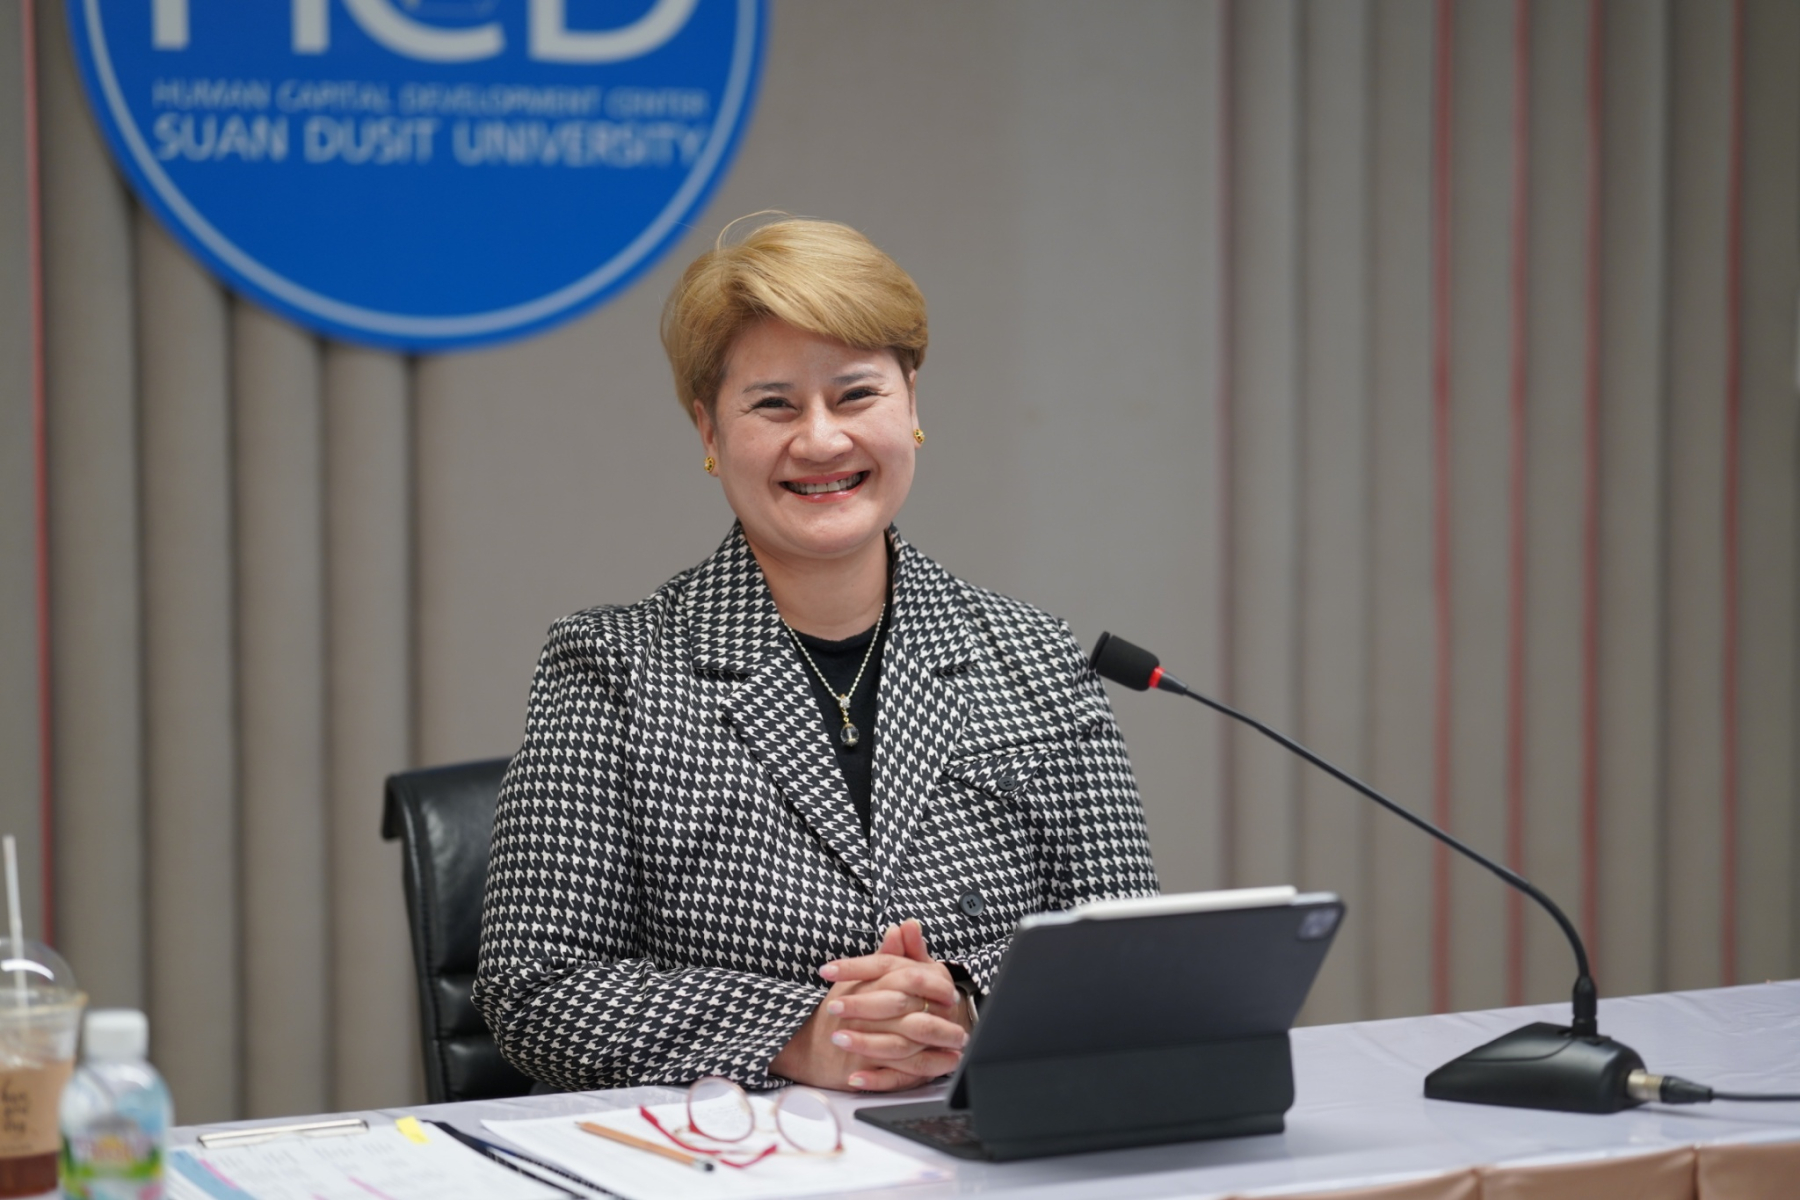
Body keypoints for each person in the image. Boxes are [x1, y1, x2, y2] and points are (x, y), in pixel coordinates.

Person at [473, 216, 1159, 1094]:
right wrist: (802, 1035)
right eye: (775, 405)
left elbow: (1126, 946)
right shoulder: (612, 669)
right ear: (709, 432)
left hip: (979, 1131)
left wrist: (961, 1002)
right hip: (727, 1148)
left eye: (856, 395)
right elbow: (536, 989)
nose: (823, 440)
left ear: (912, 404)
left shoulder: (1033, 656)